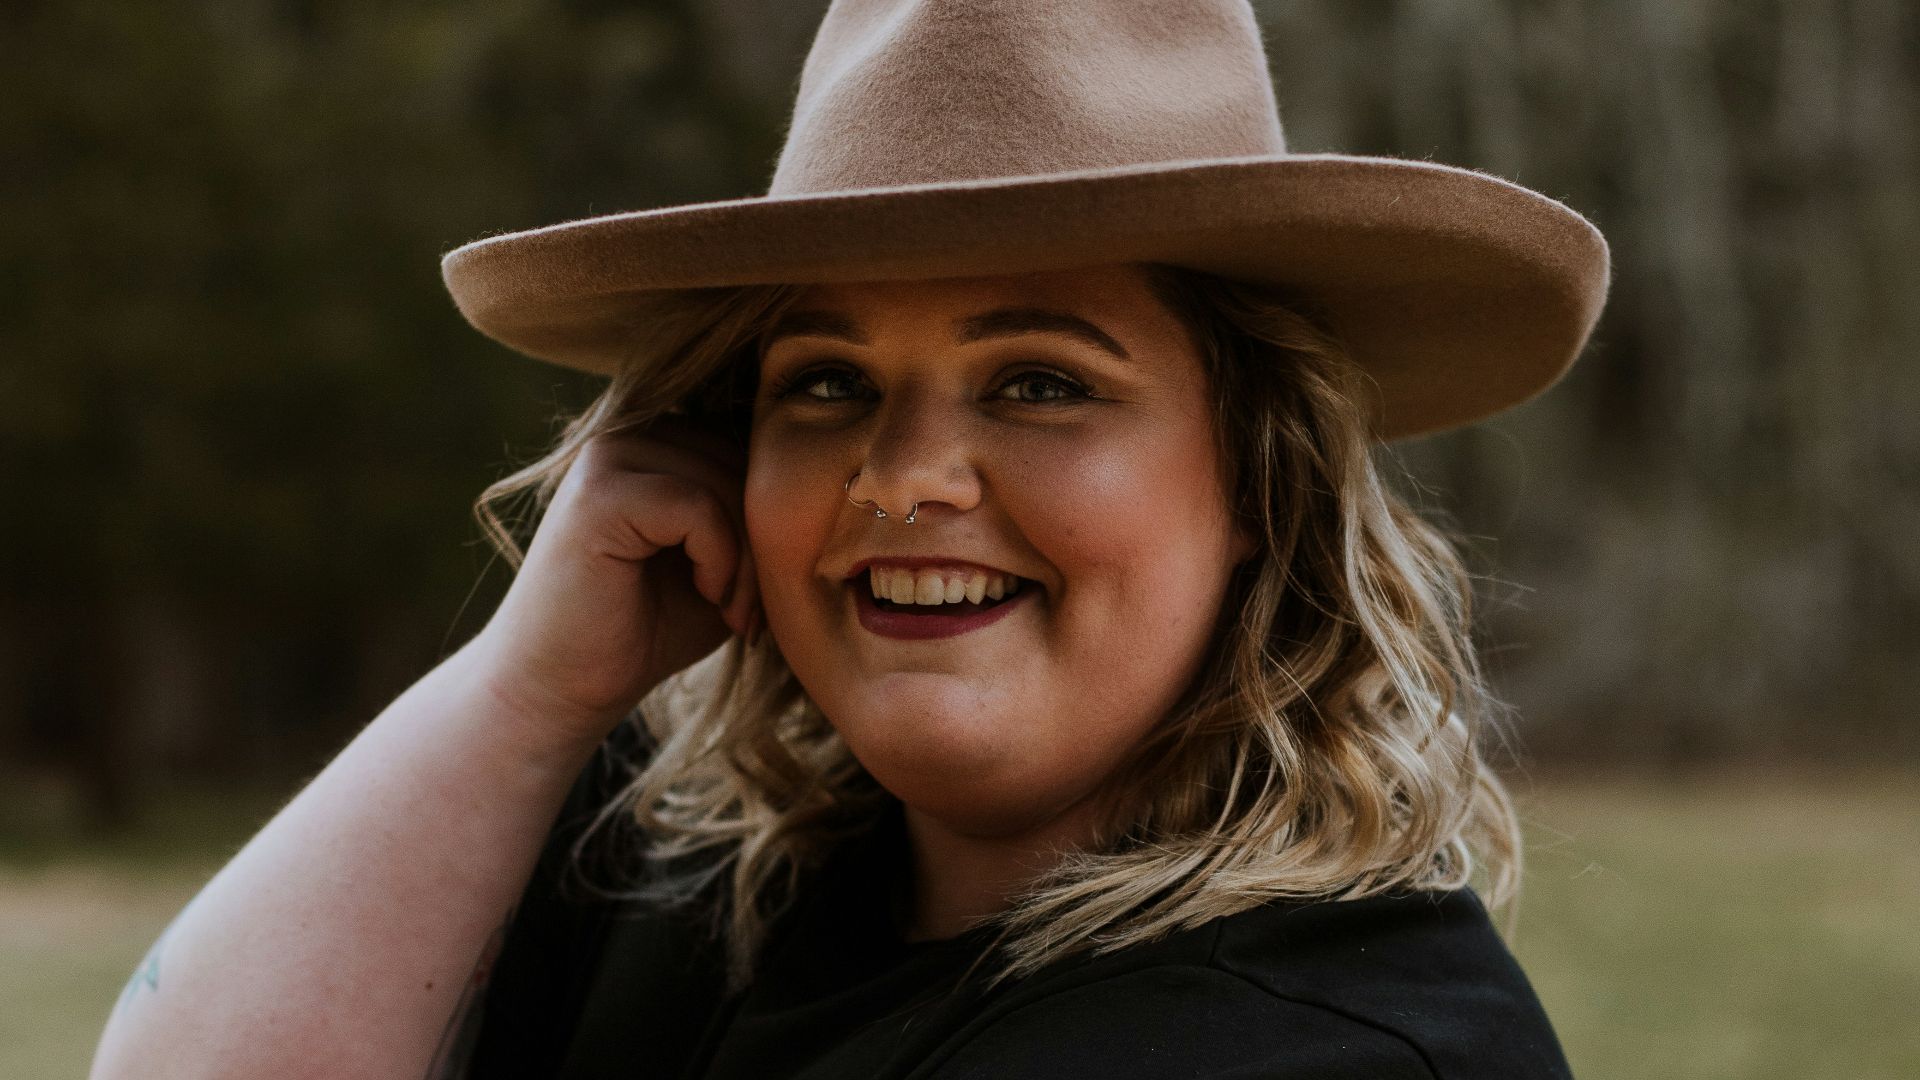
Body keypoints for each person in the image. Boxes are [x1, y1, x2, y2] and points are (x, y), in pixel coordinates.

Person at [90, 2, 1608, 1078]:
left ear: (1262, 488)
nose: (901, 477)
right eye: (826, 384)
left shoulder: (1334, 1052)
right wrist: (524, 692)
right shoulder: (669, 864)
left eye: (1038, 382)